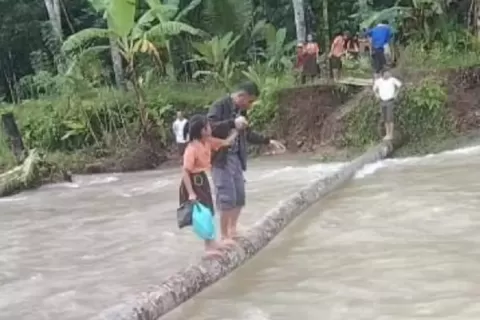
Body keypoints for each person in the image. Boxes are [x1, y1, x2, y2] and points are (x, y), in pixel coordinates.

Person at [207, 82, 286, 243]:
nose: (250, 106)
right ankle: (224, 235)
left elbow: (247, 133)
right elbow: (210, 129)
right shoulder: (220, 106)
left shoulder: (241, 111)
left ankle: (233, 229)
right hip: (221, 159)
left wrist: (267, 141)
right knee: (226, 197)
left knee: (239, 196)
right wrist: (231, 123)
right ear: (241, 95)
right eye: (249, 101)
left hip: (236, 157)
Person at [179, 114, 239, 256]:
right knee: (204, 214)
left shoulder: (208, 142)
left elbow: (225, 143)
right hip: (193, 182)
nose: (210, 128)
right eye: (207, 126)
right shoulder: (191, 148)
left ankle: (212, 243)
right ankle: (208, 247)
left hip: (202, 180)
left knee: (209, 211)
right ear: (201, 130)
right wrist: (191, 193)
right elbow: (185, 172)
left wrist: (237, 130)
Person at [372, 70, 402, 141]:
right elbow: (374, 89)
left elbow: (400, 85)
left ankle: (391, 134)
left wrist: (396, 94)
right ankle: (387, 133)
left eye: (389, 73)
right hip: (382, 101)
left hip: (390, 101)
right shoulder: (379, 81)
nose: (389, 74)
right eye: (387, 73)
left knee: (390, 118)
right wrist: (376, 94)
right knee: (385, 118)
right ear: (383, 74)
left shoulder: (392, 79)